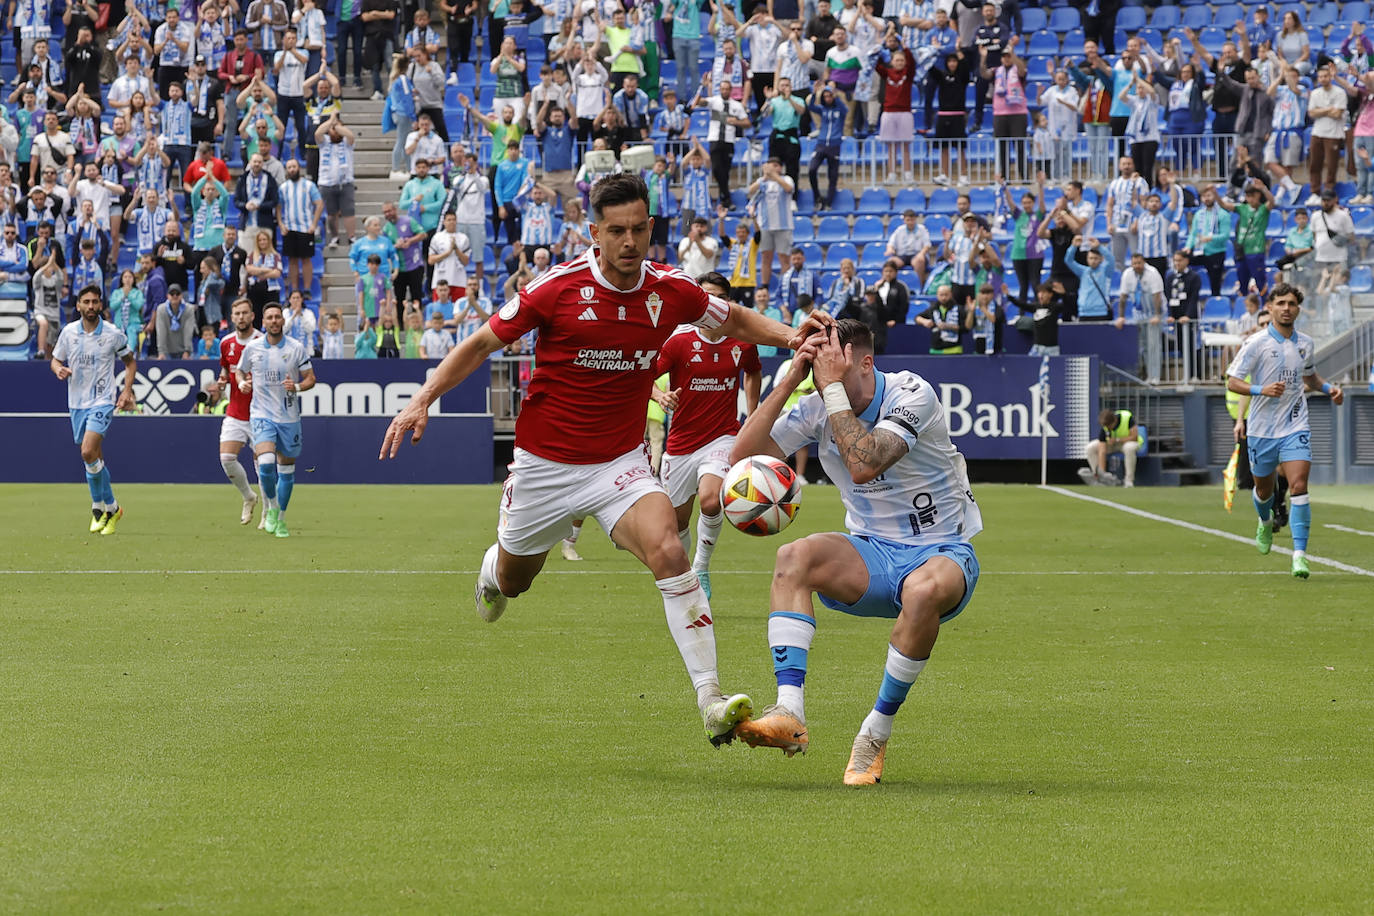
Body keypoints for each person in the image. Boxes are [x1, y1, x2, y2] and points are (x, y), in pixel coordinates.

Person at [379, 173, 832, 746]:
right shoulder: (556, 288)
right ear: (593, 232)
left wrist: (793, 337)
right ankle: (494, 569)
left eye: (640, 229)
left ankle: (712, 700)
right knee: (517, 580)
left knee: (670, 549)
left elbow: (735, 320)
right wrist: (423, 399)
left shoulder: (672, 290)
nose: (630, 241)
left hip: (618, 464)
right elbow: (480, 345)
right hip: (544, 466)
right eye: (616, 230)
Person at [728, 318, 982, 785]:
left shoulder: (912, 394)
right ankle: (789, 711)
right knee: (793, 557)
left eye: (833, 366)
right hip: (870, 554)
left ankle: (874, 734)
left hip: (941, 550)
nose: (824, 378)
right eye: (818, 366)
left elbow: (864, 463)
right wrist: (790, 379)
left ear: (866, 362)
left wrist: (830, 391)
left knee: (924, 591)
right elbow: (739, 462)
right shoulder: (816, 404)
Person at [650, 271, 763, 599]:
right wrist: (660, 397)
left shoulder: (742, 341)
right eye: (703, 298)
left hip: (723, 436)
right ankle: (684, 572)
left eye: (717, 297)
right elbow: (642, 375)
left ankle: (701, 565)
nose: (709, 304)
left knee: (712, 501)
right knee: (676, 524)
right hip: (681, 443)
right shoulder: (678, 341)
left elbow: (753, 370)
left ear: (726, 303)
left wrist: (752, 414)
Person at [1225, 284, 1344, 578]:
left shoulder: (1305, 343)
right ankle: (1265, 522)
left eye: (1291, 303)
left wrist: (1329, 389)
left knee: (1299, 485)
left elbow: (1310, 376)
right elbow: (1232, 381)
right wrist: (1260, 389)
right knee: (1264, 491)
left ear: (1298, 309)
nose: (1286, 308)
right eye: (1281, 303)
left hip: (1295, 424)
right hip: (1262, 430)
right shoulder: (1255, 343)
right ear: (1270, 307)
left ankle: (1299, 555)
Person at [50, 285, 137, 535]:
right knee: (94, 457)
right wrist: (58, 369)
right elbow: (56, 359)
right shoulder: (68, 333)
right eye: (86, 302)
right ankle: (110, 507)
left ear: (101, 305)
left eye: (95, 302)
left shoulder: (112, 333)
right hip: (76, 403)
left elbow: (130, 364)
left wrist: (126, 391)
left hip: (102, 400)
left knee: (87, 451)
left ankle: (99, 508)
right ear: (78, 305)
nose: (91, 306)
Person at [235, 302, 317, 538]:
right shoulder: (252, 348)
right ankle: (271, 508)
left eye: (277, 317)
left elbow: (311, 378)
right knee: (267, 462)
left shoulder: (296, 347)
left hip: (289, 417)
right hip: (261, 414)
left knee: (286, 471)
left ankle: (280, 519)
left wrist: (298, 386)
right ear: (263, 321)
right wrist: (242, 382)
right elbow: (240, 370)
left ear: (283, 321)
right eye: (269, 317)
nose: (273, 321)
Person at [217, 298, 265, 525]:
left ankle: (268, 511)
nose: (241, 317)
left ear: (252, 316)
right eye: (237, 313)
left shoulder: (262, 342)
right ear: (232, 316)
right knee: (226, 458)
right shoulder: (226, 343)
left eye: (245, 313)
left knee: (262, 465)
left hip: (260, 412)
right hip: (235, 411)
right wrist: (222, 380)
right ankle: (249, 496)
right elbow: (226, 369)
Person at [1116, 252, 1165, 383]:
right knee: (1143, 345)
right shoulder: (1127, 274)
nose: (1136, 266)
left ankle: (1155, 376)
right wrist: (1121, 316)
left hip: (1154, 311)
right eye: (1134, 263)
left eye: (1139, 263)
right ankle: (1147, 375)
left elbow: (1157, 297)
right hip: (1139, 313)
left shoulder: (1152, 273)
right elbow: (1123, 297)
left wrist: (1157, 315)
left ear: (1144, 262)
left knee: (1154, 345)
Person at [1081, 407, 1142, 487]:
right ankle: (1099, 477)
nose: (1108, 428)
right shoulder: (1105, 427)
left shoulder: (1127, 417)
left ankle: (1129, 481)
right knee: (1090, 447)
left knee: (1129, 448)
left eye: (1109, 426)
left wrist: (1117, 440)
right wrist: (1103, 474)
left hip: (1129, 442)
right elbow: (1102, 450)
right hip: (1112, 445)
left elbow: (1134, 437)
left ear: (1115, 421)